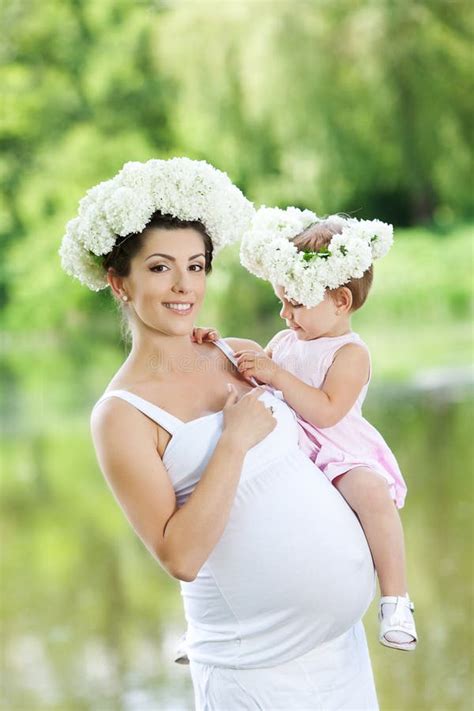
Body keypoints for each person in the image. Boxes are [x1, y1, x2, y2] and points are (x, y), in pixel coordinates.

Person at [60, 159, 379, 710]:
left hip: (341, 655)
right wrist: (231, 442)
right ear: (119, 281)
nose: (185, 286)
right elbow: (179, 556)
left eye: (197, 265)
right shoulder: (121, 415)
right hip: (257, 676)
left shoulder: (231, 352)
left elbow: (326, 413)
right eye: (160, 268)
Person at [235, 207, 417, 652]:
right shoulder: (286, 341)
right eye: (282, 300)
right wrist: (227, 348)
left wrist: (276, 376)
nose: (284, 314)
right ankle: (226, 607)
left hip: (335, 448)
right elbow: (261, 370)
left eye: (295, 303)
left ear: (340, 301)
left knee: (373, 495)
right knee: (230, 491)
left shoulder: (350, 352)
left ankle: (396, 599)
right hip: (288, 443)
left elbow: (327, 411)